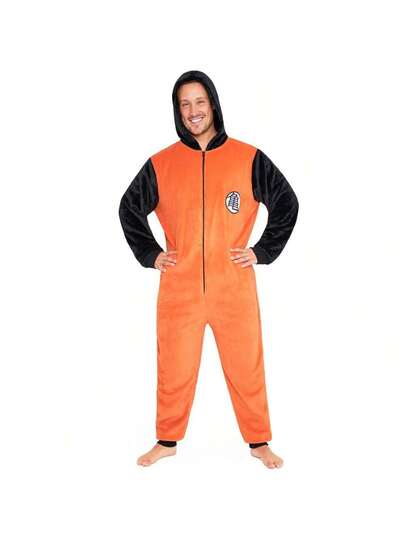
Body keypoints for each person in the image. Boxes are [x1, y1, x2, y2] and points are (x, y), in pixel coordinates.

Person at [118, 70, 299, 468]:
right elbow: (128, 208)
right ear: (177, 110)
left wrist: (261, 251)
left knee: (246, 365)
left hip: (233, 285)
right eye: (185, 104)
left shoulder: (248, 158)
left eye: (199, 101)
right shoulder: (162, 163)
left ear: (213, 104)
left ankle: (259, 442)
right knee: (173, 367)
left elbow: (286, 203)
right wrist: (151, 253)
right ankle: (166, 441)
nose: (193, 111)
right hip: (179, 287)